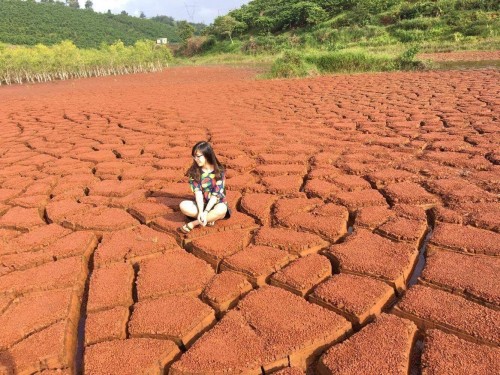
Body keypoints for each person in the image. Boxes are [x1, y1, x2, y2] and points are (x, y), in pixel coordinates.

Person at [179, 141, 230, 233]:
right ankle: (210, 218)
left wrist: (205, 212)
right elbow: (198, 194)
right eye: (194, 156)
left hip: (217, 203)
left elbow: (215, 195)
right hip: (201, 205)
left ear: (207, 155)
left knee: (222, 209)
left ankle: (195, 223)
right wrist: (201, 211)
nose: (196, 159)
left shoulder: (219, 171)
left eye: (198, 156)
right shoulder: (194, 172)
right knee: (183, 206)